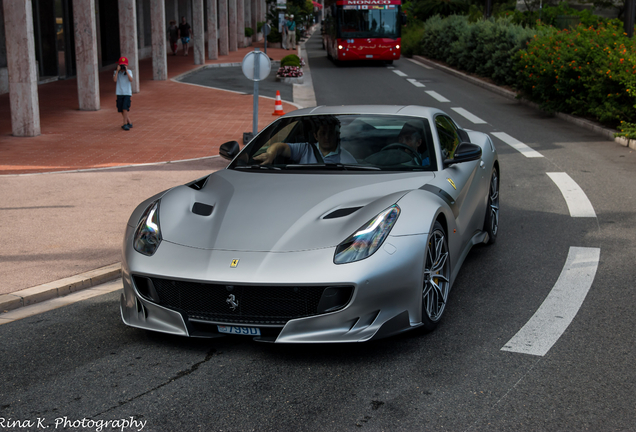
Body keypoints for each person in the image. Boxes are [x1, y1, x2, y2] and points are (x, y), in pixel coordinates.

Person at [254, 117, 356, 165]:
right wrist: (270, 154)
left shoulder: (347, 159)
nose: (327, 137)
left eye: (331, 133)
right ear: (316, 136)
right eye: (323, 133)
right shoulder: (305, 149)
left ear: (336, 135)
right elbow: (280, 147)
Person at [113, 57, 133, 131]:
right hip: (119, 93)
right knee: (121, 109)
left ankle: (124, 124)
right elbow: (114, 80)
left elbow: (131, 80)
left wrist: (126, 71)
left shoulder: (129, 72)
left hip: (127, 93)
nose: (122, 67)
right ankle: (129, 122)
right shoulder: (116, 73)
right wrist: (118, 71)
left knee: (125, 108)